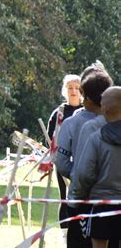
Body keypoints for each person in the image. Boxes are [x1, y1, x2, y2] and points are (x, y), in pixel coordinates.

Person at [55, 61, 113, 248]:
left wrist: (76, 179)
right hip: (100, 197)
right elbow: (63, 159)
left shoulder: (96, 124)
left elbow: (61, 160)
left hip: (82, 198)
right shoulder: (78, 123)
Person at [70, 86, 121, 248]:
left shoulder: (96, 138)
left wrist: (76, 197)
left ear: (103, 109)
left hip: (100, 205)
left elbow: (83, 174)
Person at [47, 74, 83, 228]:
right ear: (65, 90)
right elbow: (50, 137)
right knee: (64, 195)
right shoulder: (59, 113)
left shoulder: (87, 110)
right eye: (70, 88)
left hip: (83, 160)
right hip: (63, 160)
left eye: (76, 88)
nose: (73, 91)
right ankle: (65, 231)